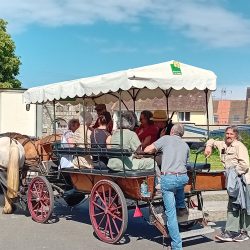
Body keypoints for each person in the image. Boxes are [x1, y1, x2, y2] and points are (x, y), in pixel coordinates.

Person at [144, 123, 190, 250]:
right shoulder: (185, 145)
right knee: (179, 184)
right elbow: (185, 162)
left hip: (169, 179)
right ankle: (181, 205)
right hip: (182, 177)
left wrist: (156, 147)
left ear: (171, 132)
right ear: (182, 134)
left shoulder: (165, 139)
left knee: (170, 214)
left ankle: (177, 245)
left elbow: (147, 149)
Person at [204, 125, 250, 242]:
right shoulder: (223, 144)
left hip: (242, 179)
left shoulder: (240, 146)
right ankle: (234, 231)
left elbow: (244, 164)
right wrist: (208, 147)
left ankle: (241, 232)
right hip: (232, 179)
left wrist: (233, 175)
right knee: (234, 205)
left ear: (236, 136)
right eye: (227, 133)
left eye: (231, 134)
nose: (228, 136)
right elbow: (211, 140)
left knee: (242, 205)